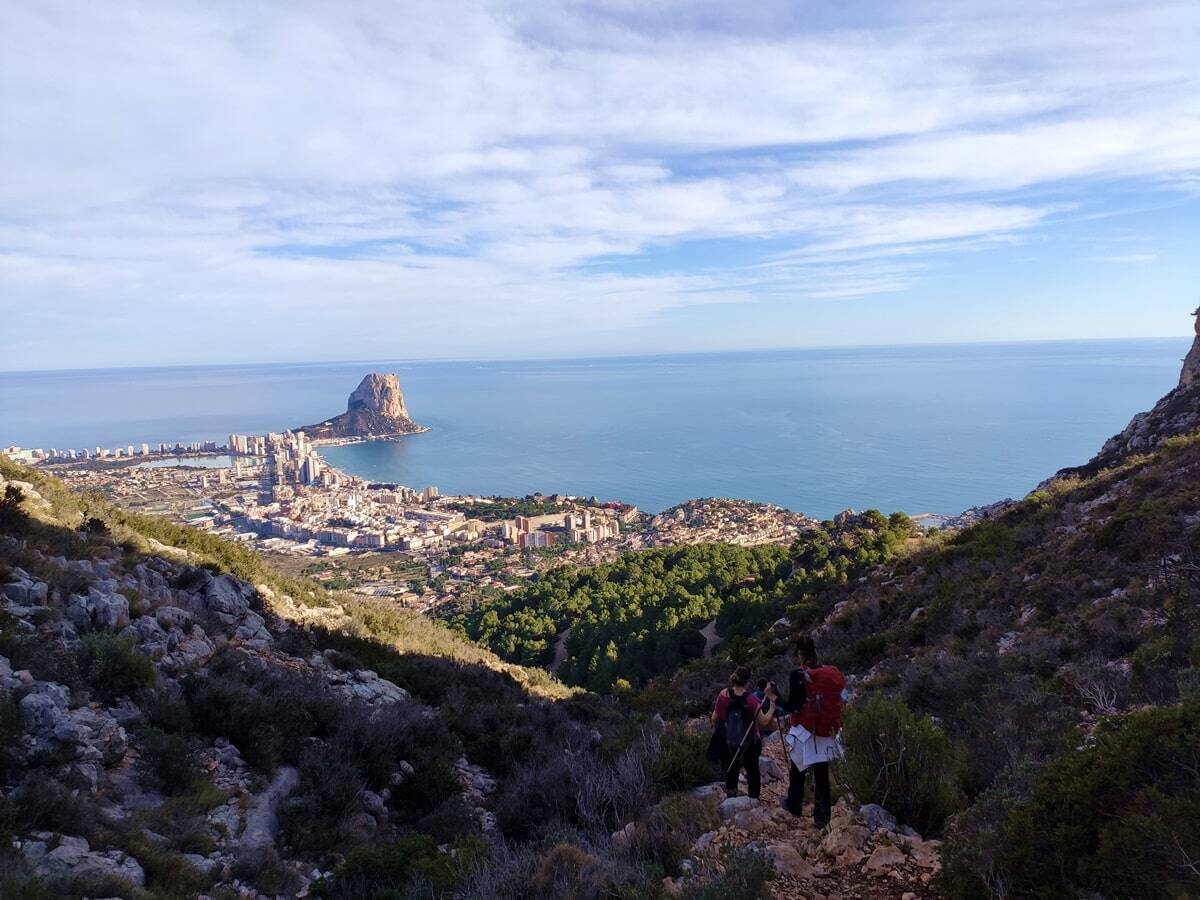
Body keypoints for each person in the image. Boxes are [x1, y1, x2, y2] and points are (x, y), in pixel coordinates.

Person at [766, 633, 845, 828]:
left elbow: (793, 706)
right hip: (825, 730)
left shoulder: (798, 675)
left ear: (799, 654)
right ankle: (822, 817)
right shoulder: (827, 674)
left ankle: (794, 805)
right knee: (821, 774)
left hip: (805, 730)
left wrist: (775, 697)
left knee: (797, 768)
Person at [711, 665, 776, 799]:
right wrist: (772, 706)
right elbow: (764, 722)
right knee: (752, 770)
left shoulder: (723, 695)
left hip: (729, 739)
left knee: (731, 767)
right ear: (747, 682)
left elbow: (714, 718)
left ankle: (731, 795)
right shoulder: (751, 700)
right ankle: (753, 798)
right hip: (750, 741)